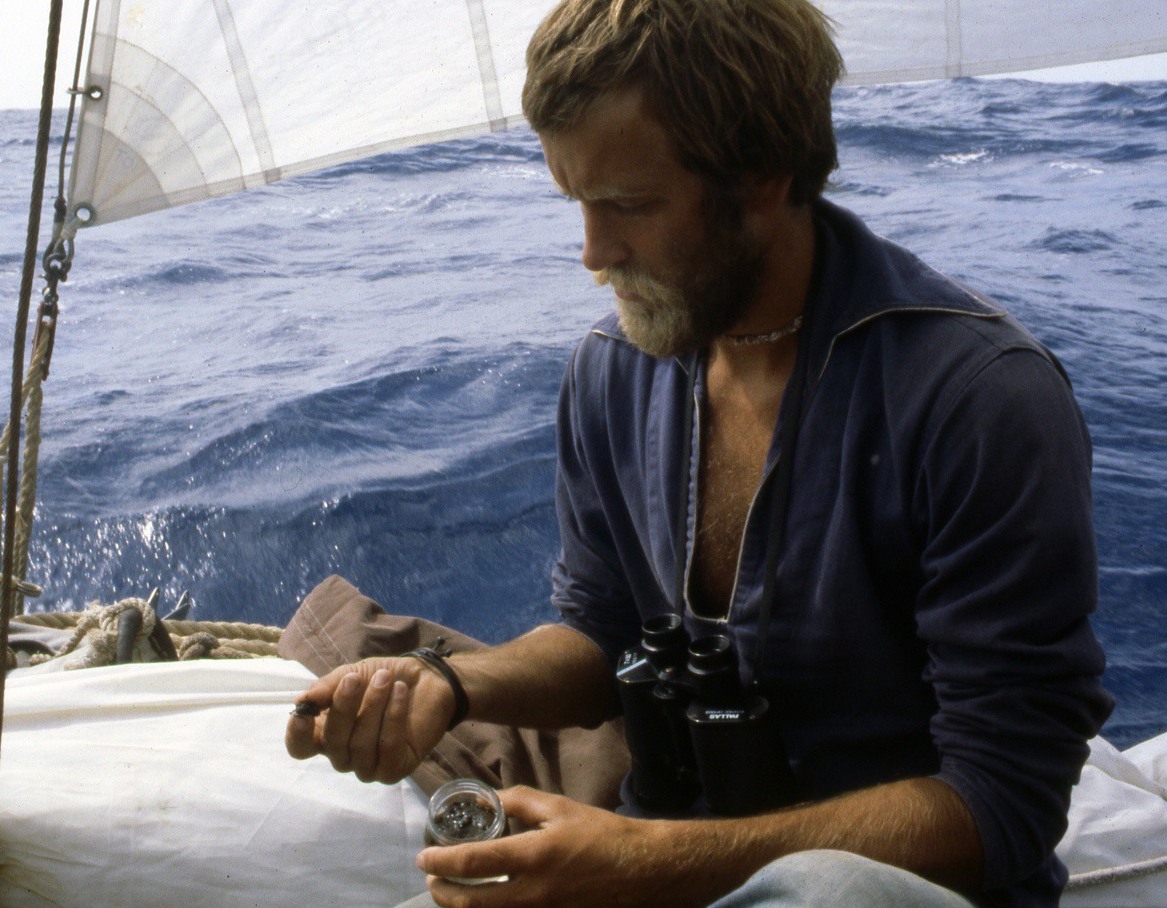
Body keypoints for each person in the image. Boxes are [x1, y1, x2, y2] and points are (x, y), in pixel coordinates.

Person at [286, 1, 1113, 905]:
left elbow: (1002, 803)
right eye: (577, 203)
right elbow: (601, 634)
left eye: (629, 205)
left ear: (762, 175)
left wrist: (642, 864)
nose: (593, 254)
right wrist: (446, 684)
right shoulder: (610, 370)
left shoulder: (979, 400)